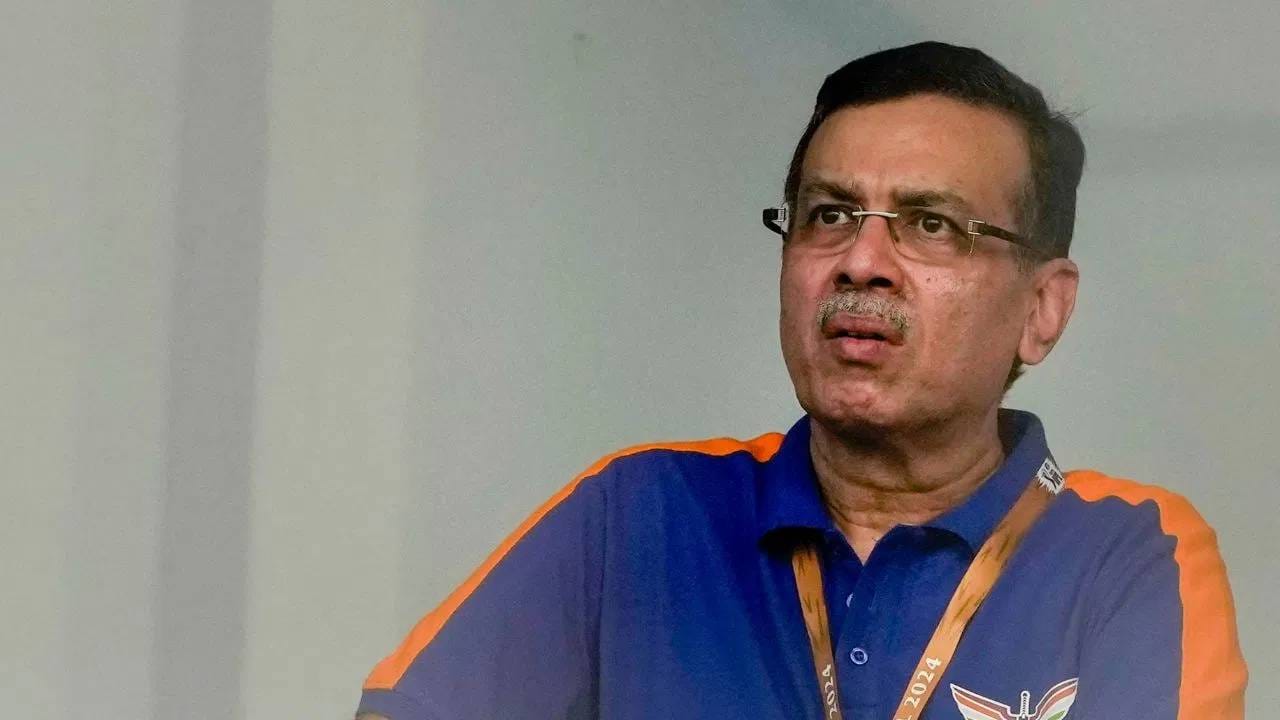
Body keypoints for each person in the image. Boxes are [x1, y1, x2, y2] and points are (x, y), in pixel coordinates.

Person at [355, 42, 1246, 719]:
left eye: (931, 225)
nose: (862, 261)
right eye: (829, 215)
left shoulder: (1127, 550)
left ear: (1041, 310)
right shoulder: (643, 514)